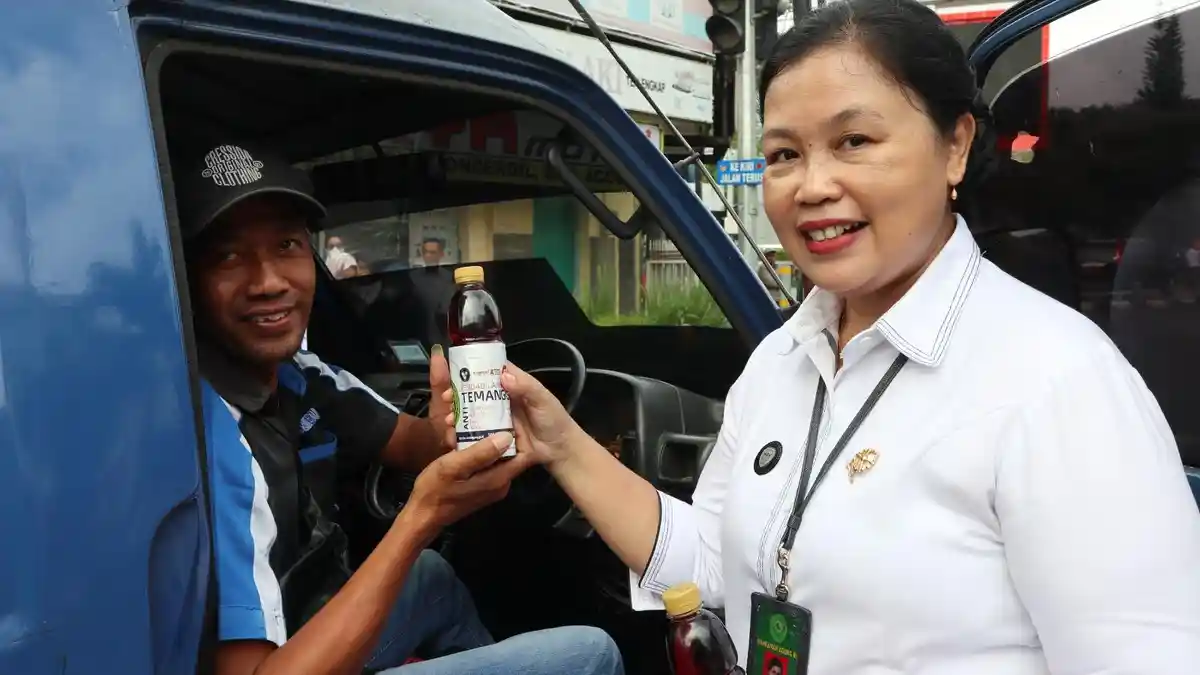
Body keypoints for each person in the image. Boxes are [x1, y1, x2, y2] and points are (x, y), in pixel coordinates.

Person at [475, 2, 1200, 674]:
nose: (812, 185)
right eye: (785, 154)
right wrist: (563, 444)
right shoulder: (780, 361)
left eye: (854, 141)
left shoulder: (1057, 382)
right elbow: (718, 566)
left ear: (955, 146)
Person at [178, 142, 623, 675]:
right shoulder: (214, 429)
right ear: (186, 279)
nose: (268, 280)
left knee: (429, 576)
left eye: (288, 244)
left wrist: (446, 426)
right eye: (228, 256)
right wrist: (421, 518)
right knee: (590, 654)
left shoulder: (302, 377)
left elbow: (416, 442)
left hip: (308, 626)